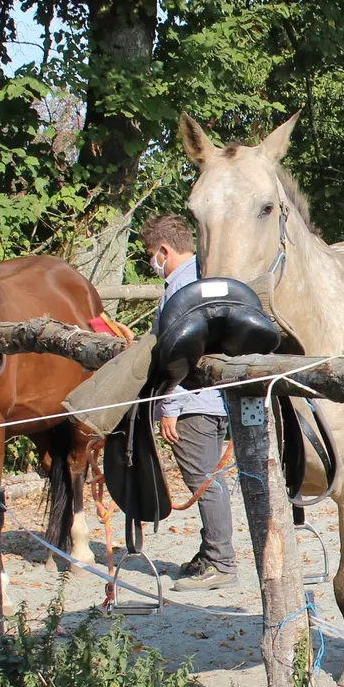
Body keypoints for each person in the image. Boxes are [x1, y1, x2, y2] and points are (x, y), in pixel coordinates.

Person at [141, 215, 238, 591]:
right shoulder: (205, 277)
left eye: (153, 255)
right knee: (211, 479)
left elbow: (181, 351)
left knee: (203, 481)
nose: (153, 262)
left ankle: (221, 561)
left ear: (164, 250)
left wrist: (170, 406)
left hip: (193, 403)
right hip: (213, 402)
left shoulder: (182, 289)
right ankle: (212, 550)